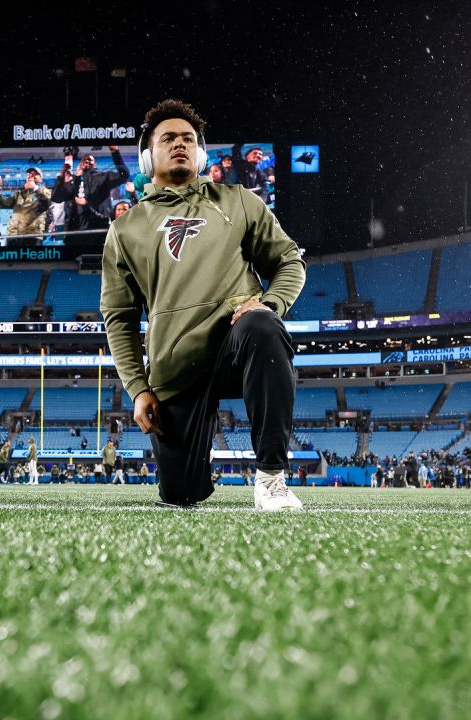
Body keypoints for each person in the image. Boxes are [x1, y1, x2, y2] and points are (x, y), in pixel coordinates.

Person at [100, 99, 305, 511]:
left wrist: (271, 303)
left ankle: (271, 478)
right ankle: (191, 468)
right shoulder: (124, 229)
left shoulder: (239, 201)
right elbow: (119, 318)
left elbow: (289, 261)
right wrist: (138, 389)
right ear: (147, 156)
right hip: (176, 366)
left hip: (237, 342)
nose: (180, 144)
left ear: (202, 152)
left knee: (263, 328)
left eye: (189, 139)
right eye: (168, 138)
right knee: (179, 495)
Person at [52, 146, 130, 232]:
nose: (87, 161)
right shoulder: (73, 180)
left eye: (90, 160)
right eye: (84, 160)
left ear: (95, 165)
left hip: (99, 228)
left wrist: (115, 152)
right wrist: (61, 179)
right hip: (75, 230)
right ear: (79, 164)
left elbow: (124, 175)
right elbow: (56, 198)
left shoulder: (104, 177)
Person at [0, 168, 51, 238]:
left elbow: (47, 201)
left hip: (33, 235)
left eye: (34, 174)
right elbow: (2, 204)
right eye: (29, 174)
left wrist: (35, 188)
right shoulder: (18, 194)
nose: (31, 176)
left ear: (40, 179)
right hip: (13, 234)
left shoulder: (45, 191)